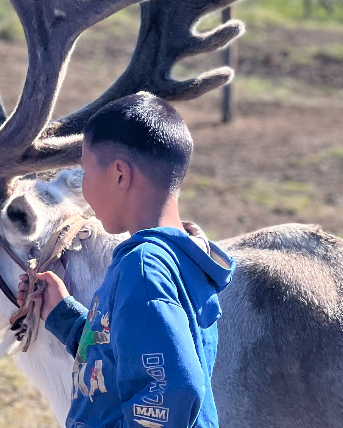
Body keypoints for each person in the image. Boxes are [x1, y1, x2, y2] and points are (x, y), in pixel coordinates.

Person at [17, 92, 235, 428]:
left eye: (86, 172)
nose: (85, 188)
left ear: (120, 174)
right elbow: (125, 359)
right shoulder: (182, 258)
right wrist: (61, 314)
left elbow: (174, 389)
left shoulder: (144, 268)